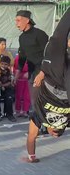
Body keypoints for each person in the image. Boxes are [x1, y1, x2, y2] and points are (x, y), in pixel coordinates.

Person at [24, 9, 70, 163]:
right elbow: (31, 137)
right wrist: (31, 158)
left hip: (60, 82)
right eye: (53, 133)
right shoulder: (40, 118)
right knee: (57, 40)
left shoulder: (65, 121)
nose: (51, 134)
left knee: (58, 40)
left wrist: (42, 73)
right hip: (55, 80)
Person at [0, 56, 17, 122]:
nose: (3, 65)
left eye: (6, 64)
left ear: (8, 65)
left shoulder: (9, 72)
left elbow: (10, 82)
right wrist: (1, 86)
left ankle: (9, 114)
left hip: (7, 88)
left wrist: (6, 85)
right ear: (0, 63)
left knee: (9, 97)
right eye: (2, 63)